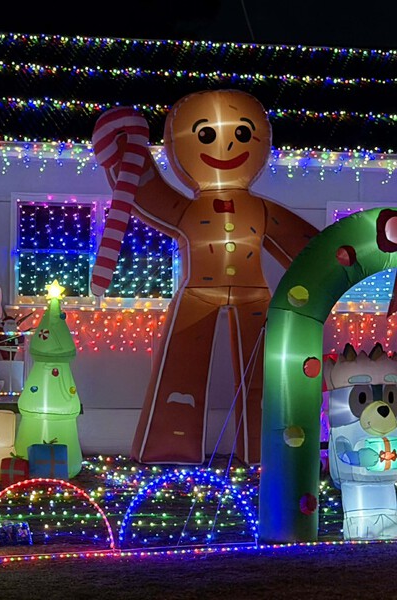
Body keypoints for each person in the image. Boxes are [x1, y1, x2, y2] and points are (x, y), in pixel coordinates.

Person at [94, 90, 319, 465]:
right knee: (181, 366)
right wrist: (125, 153)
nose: (226, 144)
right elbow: (147, 195)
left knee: (266, 374)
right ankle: (170, 443)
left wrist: (346, 255)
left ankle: (266, 448)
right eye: (206, 134)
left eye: (242, 134)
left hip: (254, 293)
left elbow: (307, 245)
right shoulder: (188, 210)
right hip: (198, 291)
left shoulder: (260, 210)